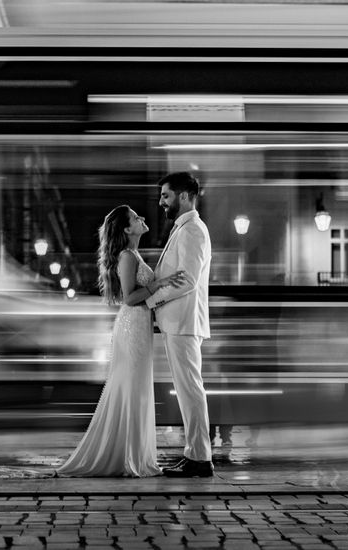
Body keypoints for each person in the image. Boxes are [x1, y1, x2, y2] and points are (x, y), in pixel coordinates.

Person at [56, 205, 185, 477]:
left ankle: (133, 454)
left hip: (139, 325)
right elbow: (129, 297)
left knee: (135, 389)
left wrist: (161, 283)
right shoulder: (127, 256)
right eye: (136, 218)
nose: (142, 219)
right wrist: (159, 284)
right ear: (127, 229)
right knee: (132, 389)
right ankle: (130, 458)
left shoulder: (133, 254)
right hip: (132, 326)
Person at [146, 171, 214, 478]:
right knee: (188, 390)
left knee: (190, 390)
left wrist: (151, 302)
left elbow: (187, 280)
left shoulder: (192, 230)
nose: (161, 201)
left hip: (184, 322)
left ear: (184, 196)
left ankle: (200, 458)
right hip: (180, 322)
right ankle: (195, 454)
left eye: (166, 195)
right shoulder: (184, 229)